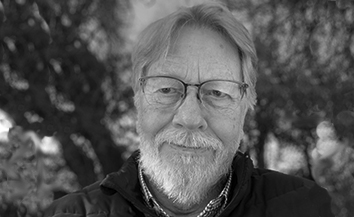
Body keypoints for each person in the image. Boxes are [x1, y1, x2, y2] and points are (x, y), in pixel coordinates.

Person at [43, 2, 334, 217]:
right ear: (138, 99)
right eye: (167, 89)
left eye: (217, 92)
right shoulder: (68, 214)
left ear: (246, 106)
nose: (189, 118)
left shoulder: (306, 208)